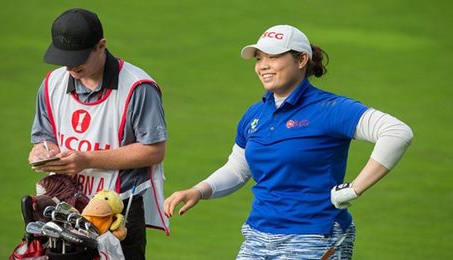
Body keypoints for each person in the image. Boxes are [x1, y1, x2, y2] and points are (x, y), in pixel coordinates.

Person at [164, 24, 413, 259]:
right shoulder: (255, 114)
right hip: (257, 235)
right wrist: (199, 190)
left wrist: (355, 188)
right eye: (259, 58)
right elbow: (238, 169)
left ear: (302, 60)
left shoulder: (329, 108)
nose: (263, 66)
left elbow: (396, 132)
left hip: (315, 237)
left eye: (273, 57)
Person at [28, 8, 169, 260]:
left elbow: (154, 150)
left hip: (118, 211)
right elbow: (43, 136)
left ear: (101, 46)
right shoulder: (51, 83)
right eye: (65, 58)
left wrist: (87, 160)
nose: (70, 66)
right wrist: (43, 151)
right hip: (62, 205)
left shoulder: (138, 87)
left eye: (78, 58)